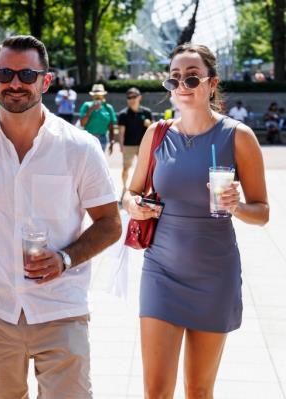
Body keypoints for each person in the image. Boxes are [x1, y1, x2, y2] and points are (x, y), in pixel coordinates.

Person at [0, 35, 121, 399]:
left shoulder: (79, 148)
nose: (15, 83)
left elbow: (110, 224)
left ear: (46, 81)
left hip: (61, 309)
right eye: (5, 73)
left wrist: (65, 259)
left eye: (27, 74)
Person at [123, 43, 269, 398]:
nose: (182, 86)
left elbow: (262, 212)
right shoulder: (156, 134)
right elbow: (129, 194)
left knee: (198, 390)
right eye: (174, 79)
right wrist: (134, 205)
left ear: (212, 84)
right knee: (156, 391)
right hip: (161, 272)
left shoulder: (238, 137)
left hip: (214, 275)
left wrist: (235, 205)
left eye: (192, 78)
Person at [117, 87, 152, 200]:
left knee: (145, 169)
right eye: (129, 97)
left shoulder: (147, 112)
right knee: (126, 168)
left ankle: (145, 190)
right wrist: (121, 146)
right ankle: (124, 188)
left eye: (134, 96)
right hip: (128, 145)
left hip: (144, 145)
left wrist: (149, 124)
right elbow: (121, 132)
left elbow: (153, 128)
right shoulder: (123, 114)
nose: (132, 99)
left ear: (139, 97)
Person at [79, 83, 117, 152]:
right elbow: (82, 123)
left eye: (99, 95)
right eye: (95, 95)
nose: (97, 97)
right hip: (88, 138)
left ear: (103, 96)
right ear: (92, 96)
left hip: (102, 139)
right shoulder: (86, 106)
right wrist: (90, 110)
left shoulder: (108, 108)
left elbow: (111, 127)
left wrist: (112, 141)